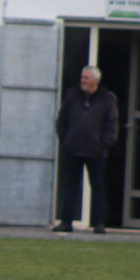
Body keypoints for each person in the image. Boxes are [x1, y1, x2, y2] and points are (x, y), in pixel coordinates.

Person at [53, 66, 119, 233]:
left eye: (86, 78)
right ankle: (66, 222)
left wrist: (104, 144)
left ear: (95, 81)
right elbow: (61, 120)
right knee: (70, 186)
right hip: (72, 150)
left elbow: (112, 124)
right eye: (82, 77)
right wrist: (65, 140)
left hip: (96, 152)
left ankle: (99, 224)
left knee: (98, 187)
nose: (82, 80)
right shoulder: (72, 96)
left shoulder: (107, 99)